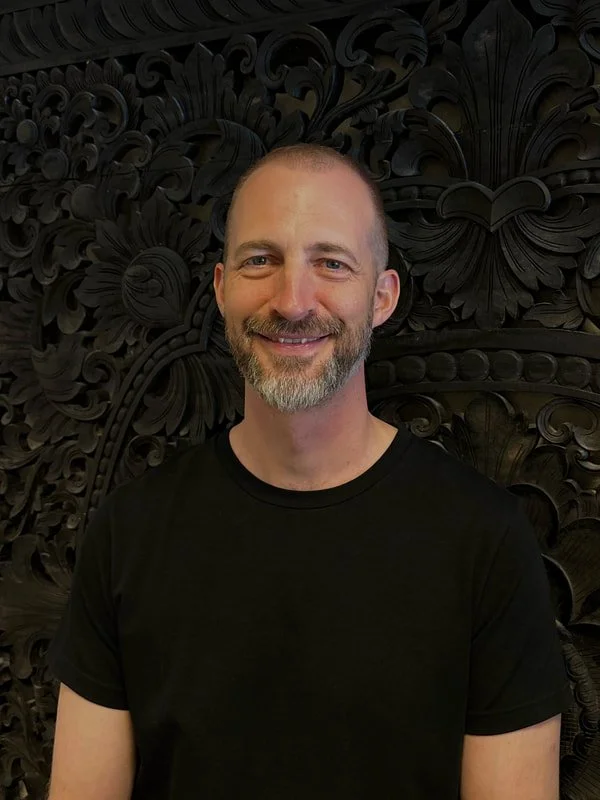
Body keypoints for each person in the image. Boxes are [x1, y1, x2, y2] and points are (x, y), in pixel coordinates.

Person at [46, 143, 572, 800]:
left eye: (331, 263)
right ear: (221, 288)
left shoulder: (485, 542)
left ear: (381, 297)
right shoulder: (128, 533)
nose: (293, 301)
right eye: (260, 260)